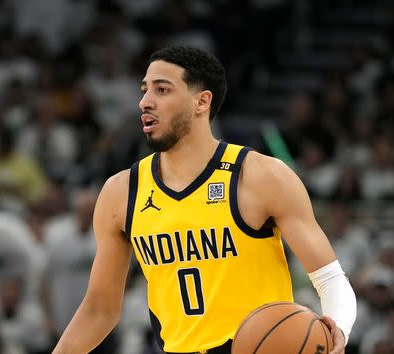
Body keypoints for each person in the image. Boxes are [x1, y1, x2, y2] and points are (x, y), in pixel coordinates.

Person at [53, 45, 356, 354]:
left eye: (162, 90)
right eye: (145, 91)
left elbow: (330, 278)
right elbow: (100, 309)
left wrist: (339, 330)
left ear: (202, 101)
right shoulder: (121, 192)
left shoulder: (260, 177)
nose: (145, 102)